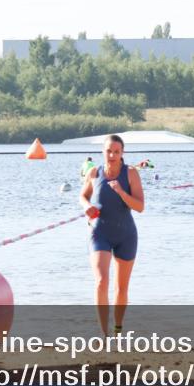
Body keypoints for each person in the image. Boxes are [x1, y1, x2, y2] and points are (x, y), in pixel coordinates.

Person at [79, 135, 145, 336]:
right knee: (101, 281)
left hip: (125, 234)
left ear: (122, 153)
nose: (112, 155)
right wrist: (87, 206)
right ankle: (103, 333)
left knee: (121, 288)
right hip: (100, 233)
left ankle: (117, 327)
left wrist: (121, 193)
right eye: (109, 151)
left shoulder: (131, 173)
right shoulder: (94, 172)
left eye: (116, 152)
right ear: (103, 152)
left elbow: (140, 206)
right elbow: (83, 196)